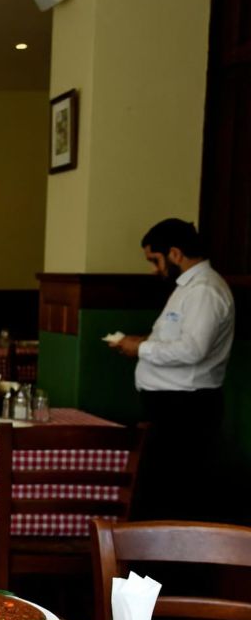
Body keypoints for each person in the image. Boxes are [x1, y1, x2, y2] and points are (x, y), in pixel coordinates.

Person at [110, 218, 235, 521]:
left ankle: (169, 567)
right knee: (159, 495)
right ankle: (148, 568)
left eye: (156, 260)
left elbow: (193, 349)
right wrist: (143, 341)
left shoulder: (204, 290)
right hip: (170, 405)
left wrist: (141, 348)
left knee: (174, 497)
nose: (155, 269)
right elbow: (178, 338)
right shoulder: (187, 288)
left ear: (176, 253)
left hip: (186, 408)